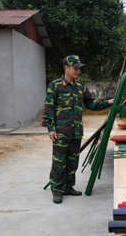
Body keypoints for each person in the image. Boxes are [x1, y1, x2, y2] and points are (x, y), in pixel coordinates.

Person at [43, 55, 114, 204]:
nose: (77, 71)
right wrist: (51, 128)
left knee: (73, 162)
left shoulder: (80, 87)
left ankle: (68, 187)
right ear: (66, 68)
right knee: (59, 162)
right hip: (61, 132)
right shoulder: (55, 86)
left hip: (76, 132)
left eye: (78, 68)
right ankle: (57, 190)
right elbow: (49, 108)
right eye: (75, 68)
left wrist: (108, 102)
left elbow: (91, 104)